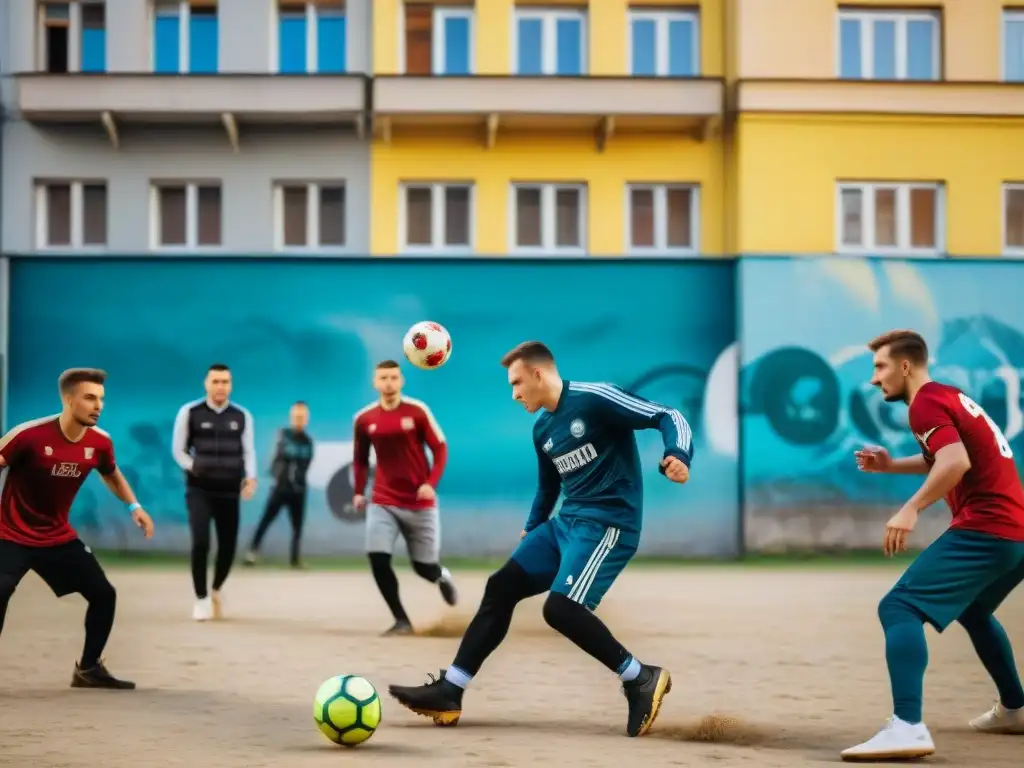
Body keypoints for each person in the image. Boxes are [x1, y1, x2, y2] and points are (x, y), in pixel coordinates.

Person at [388, 341, 693, 737]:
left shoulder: (595, 398)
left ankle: (640, 678)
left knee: (561, 610)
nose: (514, 395)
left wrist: (679, 455)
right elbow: (548, 486)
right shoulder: (543, 429)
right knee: (500, 587)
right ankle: (451, 691)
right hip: (565, 525)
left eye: (516, 383)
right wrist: (533, 527)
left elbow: (666, 414)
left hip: (608, 526)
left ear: (538, 373)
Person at [842, 330, 1024, 761]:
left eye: (880, 367)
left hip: (988, 527)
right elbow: (945, 456)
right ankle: (1015, 709)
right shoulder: (948, 396)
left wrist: (911, 509)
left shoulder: (924, 403)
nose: (874, 379)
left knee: (898, 607)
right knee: (974, 611)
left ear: (905, 366)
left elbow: (955, 462)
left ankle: (907, 726)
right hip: (1016, 532)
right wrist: (889, 467)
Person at [0, 368, 154, 689]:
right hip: (10, 534)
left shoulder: (100, 443)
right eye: (89, 398)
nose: (98, 405)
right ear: (68, 400)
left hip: (56, 537)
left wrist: (134, 507)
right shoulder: (27, 435)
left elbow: (111, 473)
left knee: (104, 595)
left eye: (101, 399)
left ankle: (87, 670)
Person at [352, 360, 458, 636]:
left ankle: (441, 576)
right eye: (383, 378)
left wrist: (430, 484)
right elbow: (360, 460)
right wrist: (358, 491)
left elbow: (440, 448)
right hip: (383, 499)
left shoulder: (418, 411)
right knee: (377, 557)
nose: (388, 383)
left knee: (423, 568)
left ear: (402, 381)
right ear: (375, 383)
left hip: (420, 502)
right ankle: (401, 620)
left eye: (394, 377)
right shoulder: (364, 419)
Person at [172, 363, 257, 621]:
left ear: (231, 385)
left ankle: (216, 589)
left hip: (230, 490)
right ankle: (201, 599)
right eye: (216, 381)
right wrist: (194, 467)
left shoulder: (242, 416)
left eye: (225, 382)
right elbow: (178, 450)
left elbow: (248, 451)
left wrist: (251, 477)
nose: (220, 386)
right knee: (201, 543)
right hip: (199, 490)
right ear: (206, 384)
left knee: (228, 547)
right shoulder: (190, 412)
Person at [244, 401, 314, 569]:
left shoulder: (308, 441)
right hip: (280, 489)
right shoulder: (283, 435)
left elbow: (304, 464)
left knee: (297, 527)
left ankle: (295, 560)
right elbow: (279, 458)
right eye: (296, 416)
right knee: (265, 520)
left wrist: (297, 480)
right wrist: (279, 476)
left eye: (302, 416)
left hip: (299, 491)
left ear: (306, 419)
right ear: (292, 417)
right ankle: (252, 553)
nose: (299, 419)